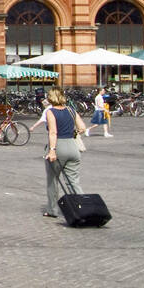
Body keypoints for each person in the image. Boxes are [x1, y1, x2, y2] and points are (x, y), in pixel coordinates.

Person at [41, 87, 85, 219]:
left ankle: (52, 210)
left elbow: (53, 132)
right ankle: (83, 207)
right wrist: (72, 133)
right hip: (72, 146)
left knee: (53, 180)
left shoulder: (50, 112)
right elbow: (82, 128)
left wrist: (52, 150)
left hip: (59, 146)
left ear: (51, 98)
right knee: (73, 181)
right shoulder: (71, 110)